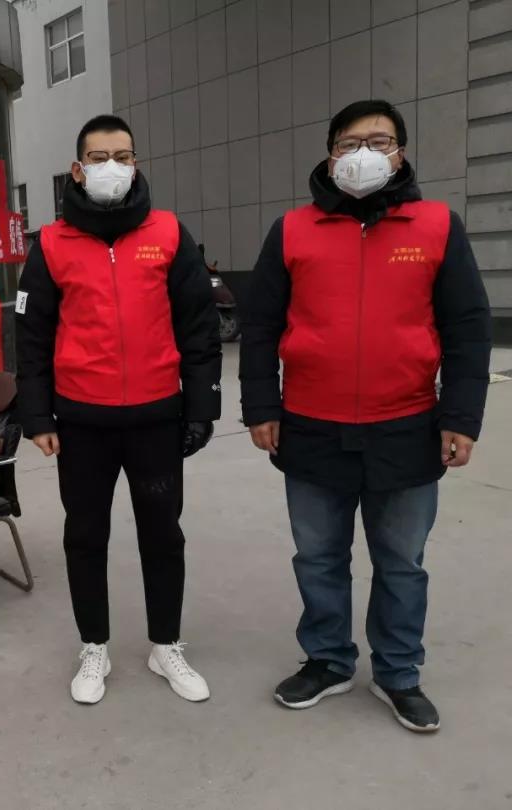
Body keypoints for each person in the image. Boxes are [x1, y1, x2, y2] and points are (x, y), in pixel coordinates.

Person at [240, 100, 492, 733]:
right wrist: (261, 405)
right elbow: (261, 324)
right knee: (317, 556)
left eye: (379, 142)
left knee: (401, 561)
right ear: (330, 156)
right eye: (349, 143)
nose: (363, 154)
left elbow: (467, 327)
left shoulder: (436, 226)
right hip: (310, 426)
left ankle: (398, 671)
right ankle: (328, 660)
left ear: (400, 153)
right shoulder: (292, 230)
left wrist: (461, 416)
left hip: (407, 425)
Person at [16, 114, 222, 705]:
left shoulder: (168, 233)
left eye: (123, 156)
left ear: (136, 163)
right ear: (78, 170)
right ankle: (94, 647)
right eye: (99, 157)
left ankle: (166, 645)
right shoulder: (51, 245)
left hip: (156, 418)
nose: (112, 167)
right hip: (83, 423)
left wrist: (201, 406)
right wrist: (37, 415)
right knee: (85, 535)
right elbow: (31, 336)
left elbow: (198, 328)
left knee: (163, 535)